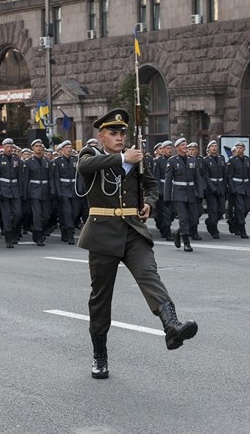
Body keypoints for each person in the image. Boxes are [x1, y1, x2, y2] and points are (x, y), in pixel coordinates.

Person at [77, 108, 197, 379]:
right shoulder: (91, 154)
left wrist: (148, 203)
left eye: (122, 133)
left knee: (148, 275)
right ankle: (100, 355)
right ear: (101, 136)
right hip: (102, 233)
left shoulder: (138, 159)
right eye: (113, 133)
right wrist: (122, 158)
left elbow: (152, 187)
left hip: (133, 230)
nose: (119, 137)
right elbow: (85, 168)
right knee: (100, 298)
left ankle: (172, 326)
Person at [164, 138, 204, 252]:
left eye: (186, 144)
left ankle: (178, 232)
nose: (186, 147)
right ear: (178, 148)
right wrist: (167, 197)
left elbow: (197, 178)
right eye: (183, 145)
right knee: (184, 218)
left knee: (194, 217)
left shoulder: (192, 160)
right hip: (179, 193)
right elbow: (168, 180)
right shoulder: (172, 161)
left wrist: (200, 193)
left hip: (191, 192)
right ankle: (186, 242)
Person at [23, 139, 53, 246]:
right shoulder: (28, 162)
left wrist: (52, 190)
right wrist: (25, 194)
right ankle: (39, 236)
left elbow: (50, 178)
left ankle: (37, 231)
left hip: (45, 190)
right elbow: (26, 179)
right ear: (33, 148)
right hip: (34, 191)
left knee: (46, 215)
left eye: (40, 146)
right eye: (36, 146)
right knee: (37, 214)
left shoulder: (47, 162)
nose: (39, 148)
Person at [0, 138, 23, 248]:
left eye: (11, 146)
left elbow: (19, 176)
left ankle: (11, 228)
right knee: (6, 215)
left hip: (15, 189)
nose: (9, 148)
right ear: (3, 147)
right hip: (4, 189)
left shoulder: (17, 159)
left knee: (18, 213)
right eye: (7, 146)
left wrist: (21, 191)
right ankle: (8, 238)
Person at [225, 141, 250, 238]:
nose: (239, 149)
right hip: (237, 186)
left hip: (246, 186)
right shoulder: (232, 160)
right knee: (240, 208)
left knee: (247, 208)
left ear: (244, 149)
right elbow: (229, 176)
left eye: (241, 148)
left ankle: (234, 221)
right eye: (237, 148)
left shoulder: (248, 160)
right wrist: (232, 188)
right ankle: (242, 228)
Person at [202, 139, 227, 239]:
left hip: (221, 187)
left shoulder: (221, 158)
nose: (214, 148)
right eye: (212, 146)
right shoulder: (206, 160)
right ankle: (214, 229)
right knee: (213, 209)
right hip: (211, 189)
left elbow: (224, 174)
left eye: (215, 146)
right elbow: (206, 176)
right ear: (209, 149)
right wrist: (212, 188)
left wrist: (224, 186)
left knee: (221, 209)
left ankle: (209, 222)